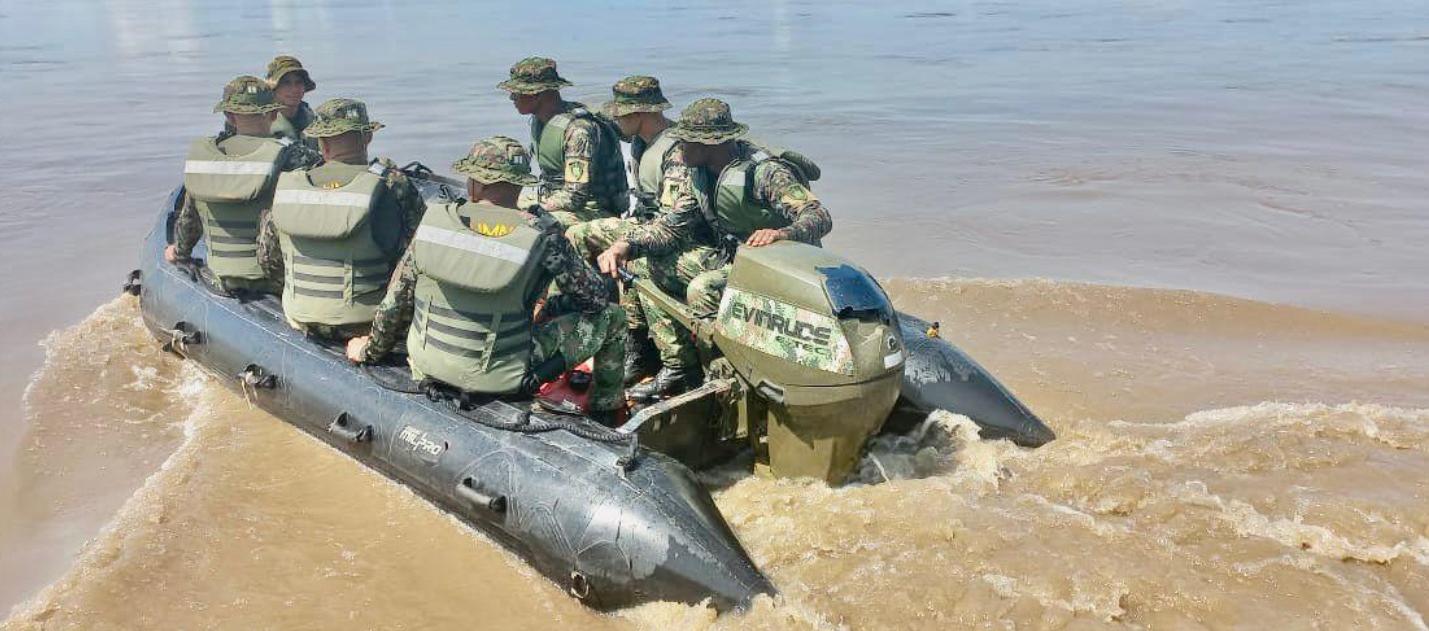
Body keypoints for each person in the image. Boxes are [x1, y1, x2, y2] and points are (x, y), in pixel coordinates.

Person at [345, 137, 627, 424]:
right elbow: (594, 301)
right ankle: (607, 412)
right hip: (501, 375)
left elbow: (395, 303)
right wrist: (555, 304)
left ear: (474, 185)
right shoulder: (545, 236)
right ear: (520, 185)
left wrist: (368, 351)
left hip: (425, 365)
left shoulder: (434, 224)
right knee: (613, 318)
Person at [598, 98, 833, 399]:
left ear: (709, 145)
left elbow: (819, 216)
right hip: (734, 262)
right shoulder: (698, 175)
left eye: (684, 142)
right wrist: (625, 245)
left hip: (783, 271)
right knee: (640, 265)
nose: (677, 150)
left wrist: (781, 233)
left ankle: (721, 379)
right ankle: (679, 367)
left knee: (702, 288)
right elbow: (671, 226)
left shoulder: (764, 173)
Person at [256, 98, 426, 339]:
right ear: (367, 137)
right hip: (366, 324)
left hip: (299, 316)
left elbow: (268, 260)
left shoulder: (290, 186)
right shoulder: (393, 185)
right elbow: (415, 260)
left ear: (322, 143)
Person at [564, 75, 680, 384]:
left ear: (640, 114)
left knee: (635, 264)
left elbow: (674, 221)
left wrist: (630, 243)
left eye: (620, 114)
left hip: (667, 234)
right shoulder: (642, 139)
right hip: (641, 223)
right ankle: (589, 317)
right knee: (577, 235)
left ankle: (637, 348)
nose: (615, 120)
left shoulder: (675, 150)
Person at [167, 75, 321, 294]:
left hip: (220, 273)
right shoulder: (294, 157)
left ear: (229, 116)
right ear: (274, 113)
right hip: (275, 280)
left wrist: (178, 252)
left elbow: (189, 220)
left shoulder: (207, 159)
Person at [498, 56, 628, 228]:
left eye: (516, 93)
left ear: (537, 95)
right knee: (496, 205)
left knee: (528, 224)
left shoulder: (577, 130)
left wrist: (537, 210)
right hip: (555, 200)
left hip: (592, 211)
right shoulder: (539, 121)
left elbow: (576, 196)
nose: (512, 98)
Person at [265, 55, 318, 147]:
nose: (294, 89)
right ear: (274, 88)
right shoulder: (261, 123)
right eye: (286, 83)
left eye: (298, 82)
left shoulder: (313, 120)